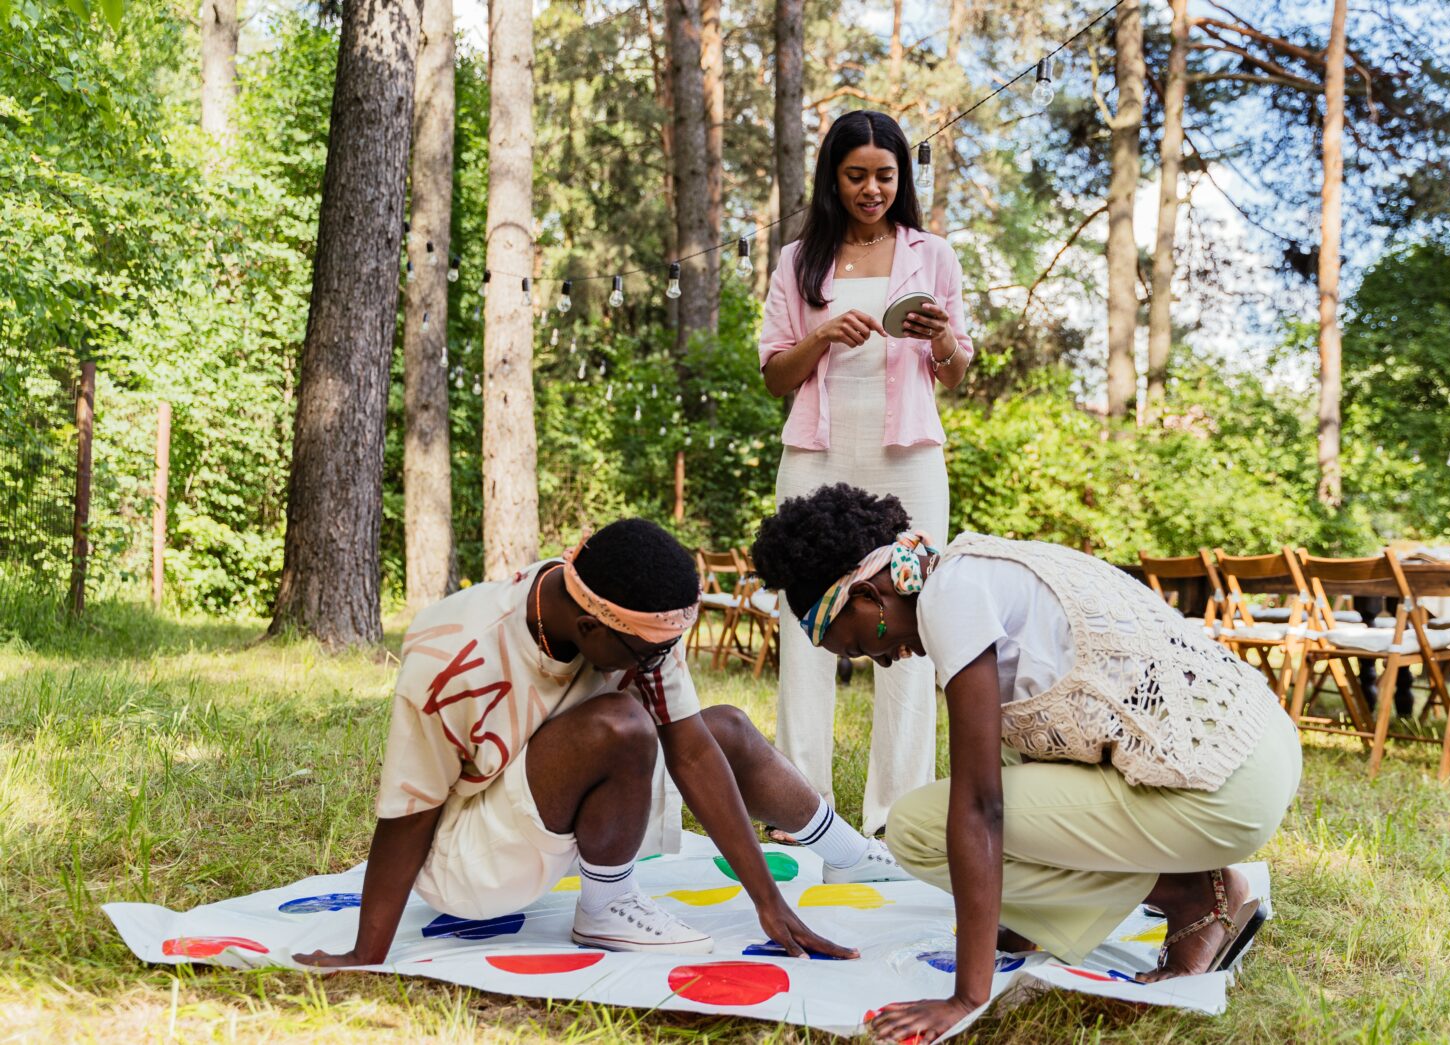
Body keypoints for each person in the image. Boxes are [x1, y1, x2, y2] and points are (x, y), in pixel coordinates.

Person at [748, 485, 1301, 1043]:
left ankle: (1192, 896)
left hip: (1221, 789)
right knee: (1002, 759)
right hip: (1257, 748)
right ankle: (1061, 913)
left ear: (868, 595)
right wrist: (1011, 918)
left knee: (918, 827)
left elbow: (982, 807)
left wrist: (967, 995)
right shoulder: (976, 564)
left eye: (856, 647)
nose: (883, 660)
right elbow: (1023, 750)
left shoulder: (949, 600)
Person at [294, 518, 906, 969]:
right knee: (621, 722)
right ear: (591, 627)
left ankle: (852, 856)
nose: (663, 662)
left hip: (552, 803)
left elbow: (692, 752)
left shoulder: (626, 616)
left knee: (722, 729)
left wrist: (768, 904)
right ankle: (606, 909)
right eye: (652, 653)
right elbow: (410, 810)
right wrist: (364, 953)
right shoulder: (450, 651)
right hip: (472, 860)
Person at [758, 109, 975, 837]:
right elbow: (774, 377)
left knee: (914, 620)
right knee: (804, 627)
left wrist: (942, 335)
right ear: (833, 177)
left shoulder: (932, 254)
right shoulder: (798, 262)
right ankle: (799, 809)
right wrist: (820, 335)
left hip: (907, 460)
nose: (872, 188)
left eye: (885, 175)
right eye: (857, 175)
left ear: (901, 178)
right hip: (817, 457)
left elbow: (957, 370)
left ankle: (897, 816)